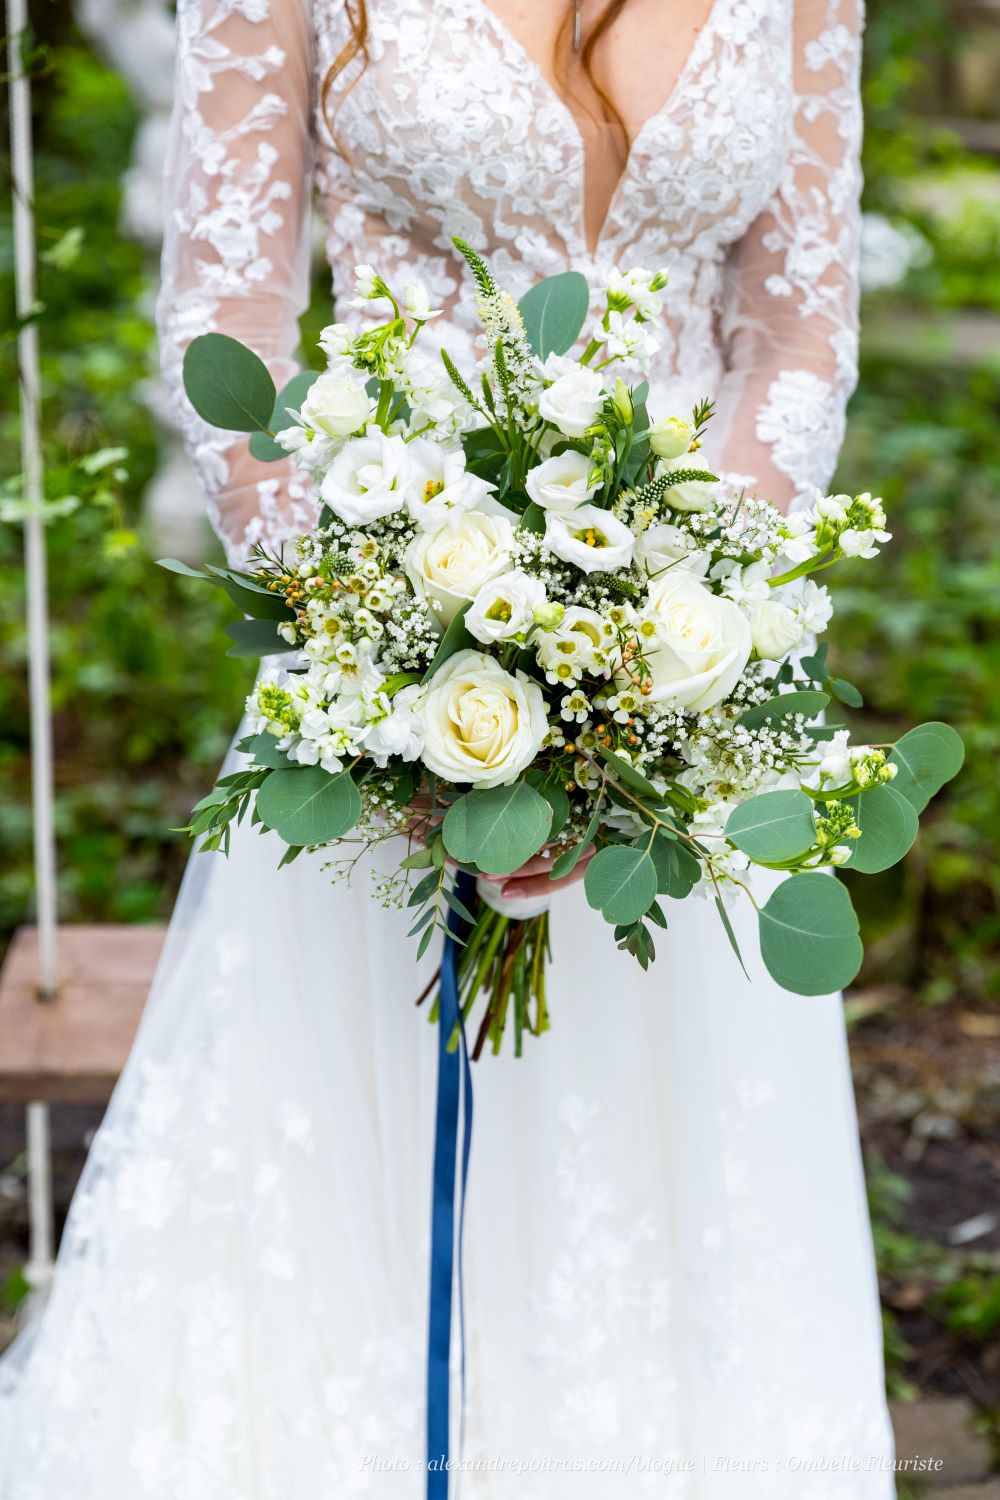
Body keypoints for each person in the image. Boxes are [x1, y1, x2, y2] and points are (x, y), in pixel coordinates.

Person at [0, 1, 895, 1493]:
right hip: (381, 653)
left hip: (696, 695)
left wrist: (663, 635)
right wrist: (388, 647)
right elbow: (228, 320)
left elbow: (797, 337)